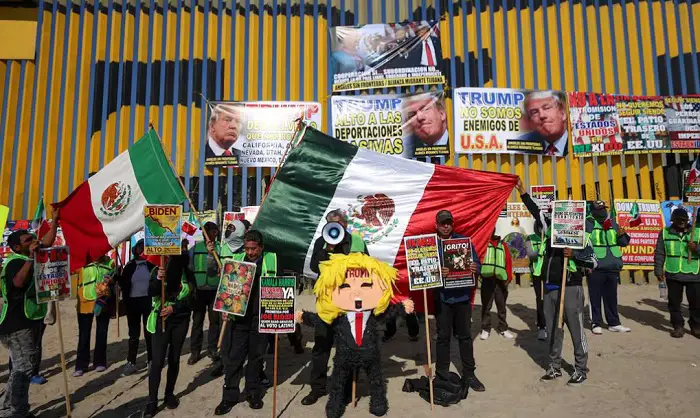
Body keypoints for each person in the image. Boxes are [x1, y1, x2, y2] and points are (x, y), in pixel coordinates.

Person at [300, 209, 369, 406]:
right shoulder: (322, 241)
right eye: (330, 223)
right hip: (326, 304)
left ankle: (345, 389)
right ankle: (317, 388)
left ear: (345, 224)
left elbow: (368, 267)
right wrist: (327, 248)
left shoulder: (356, 242)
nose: (335, 227)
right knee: (321, 346)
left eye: (338, 223)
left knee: (346, 348)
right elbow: (314, 267)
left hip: (348, 304)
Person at [0, 211, 59, 418]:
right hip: (16, 325)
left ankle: (9, 408)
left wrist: (56, 221)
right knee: (23, 369)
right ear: (17, 246)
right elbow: (17, 283)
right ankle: (16, 411)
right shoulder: (15, 261)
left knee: (21, 367)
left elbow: (47, 240)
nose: (34, 241)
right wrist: (32, 258)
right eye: (28, 240)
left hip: (28, 321)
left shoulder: (29, 253)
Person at [215, 230, 277, 415]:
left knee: (256, 358)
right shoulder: (237, 260)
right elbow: (226, 288)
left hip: (261, 317)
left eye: (253, 249)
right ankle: (229, 397)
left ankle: (253, 393)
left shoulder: (271, 260)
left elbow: (280, 285)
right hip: (239, 318)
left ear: (261, 247)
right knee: (234, 358)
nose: (250, 252)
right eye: (247, 248)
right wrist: (225, 309)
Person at [535, 219, 597, 385]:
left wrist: (574, 255)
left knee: (576, 330)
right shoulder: (548, 237)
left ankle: (580, 369)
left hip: (570, 288)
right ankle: (555, 367)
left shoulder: (579, 236)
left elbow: (593, 261)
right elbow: (537, 213)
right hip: (549, 289)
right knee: (553, 331)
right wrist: (524, 196)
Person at [433, 210, 485, 393]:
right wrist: (437, 272)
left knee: (464, 336)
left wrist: (474, 267)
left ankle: (469, 374)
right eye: (442, 223)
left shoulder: (464, 241)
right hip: (442, 298)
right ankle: (441, 374)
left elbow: (478, 265)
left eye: (448, 223)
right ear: (436, 225)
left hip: (462, 297)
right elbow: (423, 272)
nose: (446, 226)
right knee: (443, 337)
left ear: (452, 224)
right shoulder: (431, 245)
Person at [144, 240, 195, 417]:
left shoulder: (187, 273)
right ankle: (152, 400)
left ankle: (169, 394)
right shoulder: (158, 270)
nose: (182, 252)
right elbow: (151, 291)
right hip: (161, 319)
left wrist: (175, 307)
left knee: (174, 358)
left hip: (180, 319)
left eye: (184, 249)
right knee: (157, 361)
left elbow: (193, 299)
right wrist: (159, 278)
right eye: (179, 248)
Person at [189, 222, 234, 365]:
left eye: (214, 231)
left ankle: (212, 348)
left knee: (215, 321)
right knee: (197, 321)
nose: (210, 233)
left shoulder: (221, 248)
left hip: (215, 289)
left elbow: (226, 266)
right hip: (199, 289)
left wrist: (214, 254)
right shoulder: (194, 248)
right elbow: (190, 268)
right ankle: (195, 351)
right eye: (208, 231)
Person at [654, 208, 700, 338]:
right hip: (673, 273)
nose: (681, 223)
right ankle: (678, 326)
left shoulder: (697, 232)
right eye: (678, 220)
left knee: (696, 304)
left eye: (683, 220)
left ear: (688, 221)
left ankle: (696, 326)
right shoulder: (665, 233)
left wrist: (697, 248)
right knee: (674, 303)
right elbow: (659, 253)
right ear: (672, 221)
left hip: (694, 274)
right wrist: (658, 270)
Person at [586, 200, 631, 334]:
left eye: (603, 208)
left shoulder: (612, 223)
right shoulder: (588, 224)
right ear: (593, 211)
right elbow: (585, 245)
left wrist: (622, 234)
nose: (602, 211)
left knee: (612, 296)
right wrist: (586, 263)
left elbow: (623, 243)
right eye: (599, 209)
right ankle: (596, 323)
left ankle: (614, 323)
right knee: (595, 296)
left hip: (612, 265)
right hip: (596, 266)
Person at [117, 239, 157, 376]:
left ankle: (151, 360)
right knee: (133, 335)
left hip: (147, 302)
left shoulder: (150, 266)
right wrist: (117, 276)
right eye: (140, 248)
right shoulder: (130, 266)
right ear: (135, 250)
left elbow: (157, 282)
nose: (142, 250)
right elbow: (123, 283)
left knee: (149, 332)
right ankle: (131, 362)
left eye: (144, 248)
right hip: (132, 303)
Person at [74, 254, 114, 376]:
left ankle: (100, 362)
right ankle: (81, 365)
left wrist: (112, 280)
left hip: (103, 302)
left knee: (102, 332)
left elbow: (116, 278)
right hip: (85, 302)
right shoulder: (80, 263)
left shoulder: (110, 263)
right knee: (84, 335)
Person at [517, 180, 548, 341]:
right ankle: (542, 326)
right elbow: (535, 210)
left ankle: (555, 324)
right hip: (539, 272)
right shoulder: (540, 232)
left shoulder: (560, 230)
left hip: (556, 271)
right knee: (541, 299)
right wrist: (523, 192)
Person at [479, 230, 514, 340]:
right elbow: (478, 259)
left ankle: (503, 328)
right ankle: (485, 329)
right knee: (486, 306)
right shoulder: (483, 243)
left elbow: (508, 261)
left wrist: (508, 278)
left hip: (500, 281)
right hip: (487, 279)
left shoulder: (503, 245)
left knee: (501, 306)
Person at [516, 91, 569, 156]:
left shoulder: (579, 140)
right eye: (534, 112)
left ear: (563, 113)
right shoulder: (522, 144)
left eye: (547, 108)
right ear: (530, 123)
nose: (542, 115)